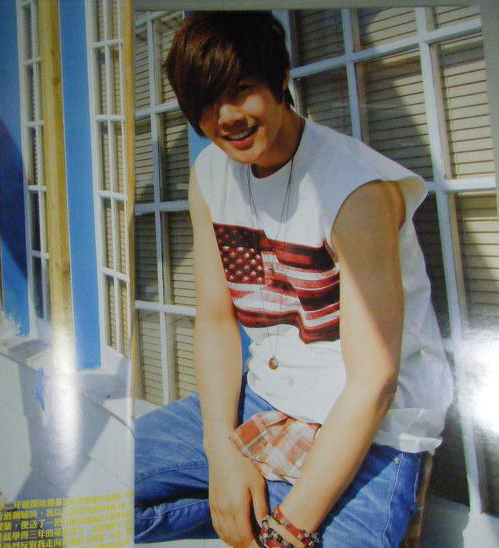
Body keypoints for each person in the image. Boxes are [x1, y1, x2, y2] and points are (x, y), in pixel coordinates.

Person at [134, 11, 453, 548]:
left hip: (369, 427)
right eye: (206, 102)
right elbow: (216, 321)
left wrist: (288, 530)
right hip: (265, 400)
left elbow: (374, 380)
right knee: (87, 492)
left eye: (242, 90)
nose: (227, 116)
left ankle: (273, 513)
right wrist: (222, 455)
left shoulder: (353, 191)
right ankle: (250, 507)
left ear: (279, 79)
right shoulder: (209, 176)